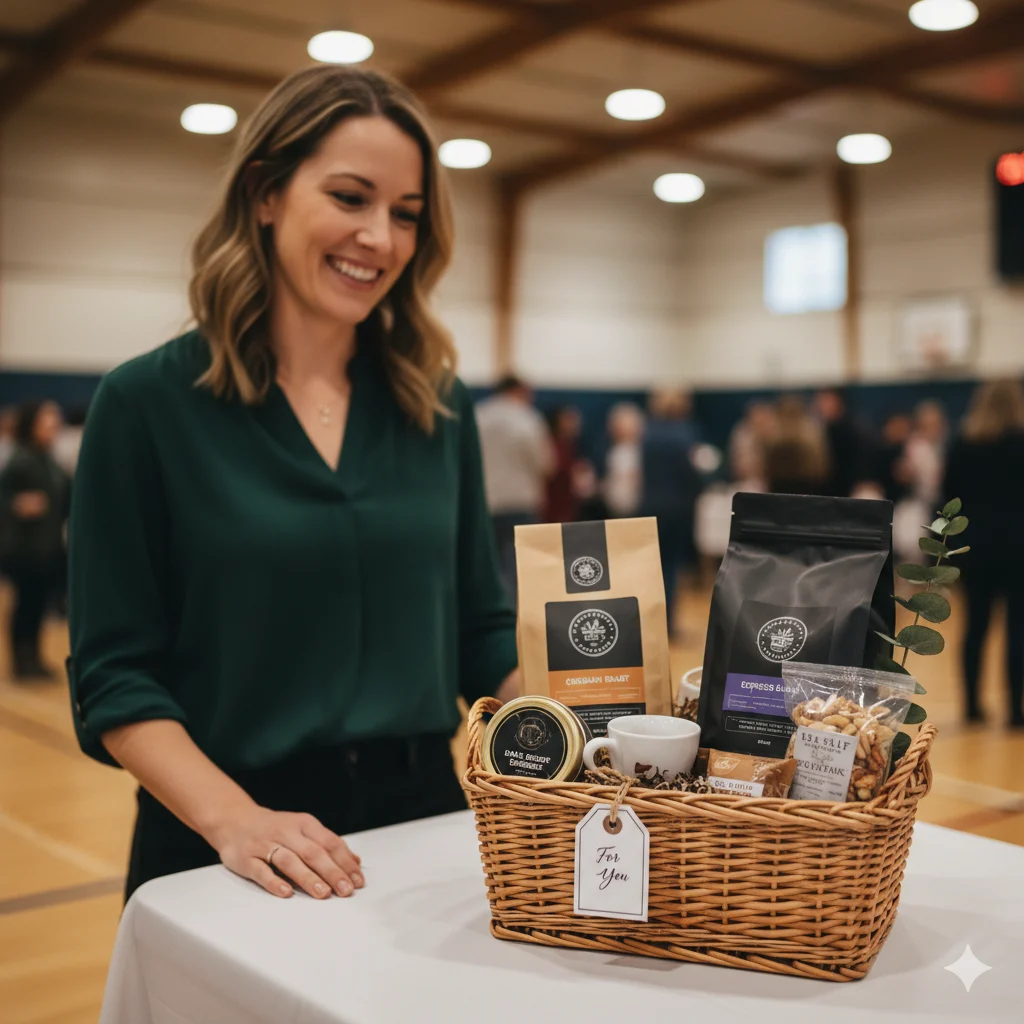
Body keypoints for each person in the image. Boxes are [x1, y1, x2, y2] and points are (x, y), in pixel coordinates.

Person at [68, 66, 520, 904]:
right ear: (266, 193)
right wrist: (236, 820)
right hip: (227, 842)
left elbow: (480, 629)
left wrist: (599, 708)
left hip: (423, 828)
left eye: (406, 215)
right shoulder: (145, 404)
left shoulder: (438, 404)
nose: (380, 238)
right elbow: (114, 674)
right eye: (351, 198)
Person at [942, 380, 1024, 727]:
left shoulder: (962, 443)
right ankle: (1015, 711)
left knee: (975, 626)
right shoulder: (1020, 443)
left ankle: (972, 705)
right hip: (1018, 546)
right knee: (1017, 629)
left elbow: (947, 498)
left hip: (973, 547)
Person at [0, 400, 70, 680]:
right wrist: (17, 504)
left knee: (39, 604)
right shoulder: (21, 459)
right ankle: (21, 658)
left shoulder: (50, 461)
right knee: (26, 604)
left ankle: (34, 658)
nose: (53, 427)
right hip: (23, 548)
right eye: (46, 422)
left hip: (47, 546)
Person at [475, 376, 553, 596]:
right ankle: (513, 621)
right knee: (517, 568)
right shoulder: (528, 417)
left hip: (484, 502)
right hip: (520, 502)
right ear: (519, 390)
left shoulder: (478, 414)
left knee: (487, 567)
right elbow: (545, 464)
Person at [639, 389, 701, 639]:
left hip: (650, 506)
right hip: (677, 508)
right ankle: (668, 623)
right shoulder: (684, 433)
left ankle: (651, 622)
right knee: (672, 566)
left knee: (652, 567)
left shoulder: (648, 433)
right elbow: (690, 474)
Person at [763, 394, 829, 496]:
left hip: (780, 492)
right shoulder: (811, 433)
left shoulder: (772, 436)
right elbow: (820, 468)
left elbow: (765, 469)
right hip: (807, 491)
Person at [814, 388, 870, 497]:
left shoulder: (853, 430)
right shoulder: (819, 430)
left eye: (826, 401)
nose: (822, 405)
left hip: (848, 490)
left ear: (838, 402)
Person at [603, 402, 644, 517]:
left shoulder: (636, 452)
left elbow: (636, 477)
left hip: (633, 506)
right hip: (615, 506)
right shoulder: (615, 451)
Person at [543, 405, 583, 523]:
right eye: (569, 419)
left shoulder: (572, 446)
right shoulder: (551, 445)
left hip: (569, 507)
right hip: (553, 507)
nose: (575, 424)